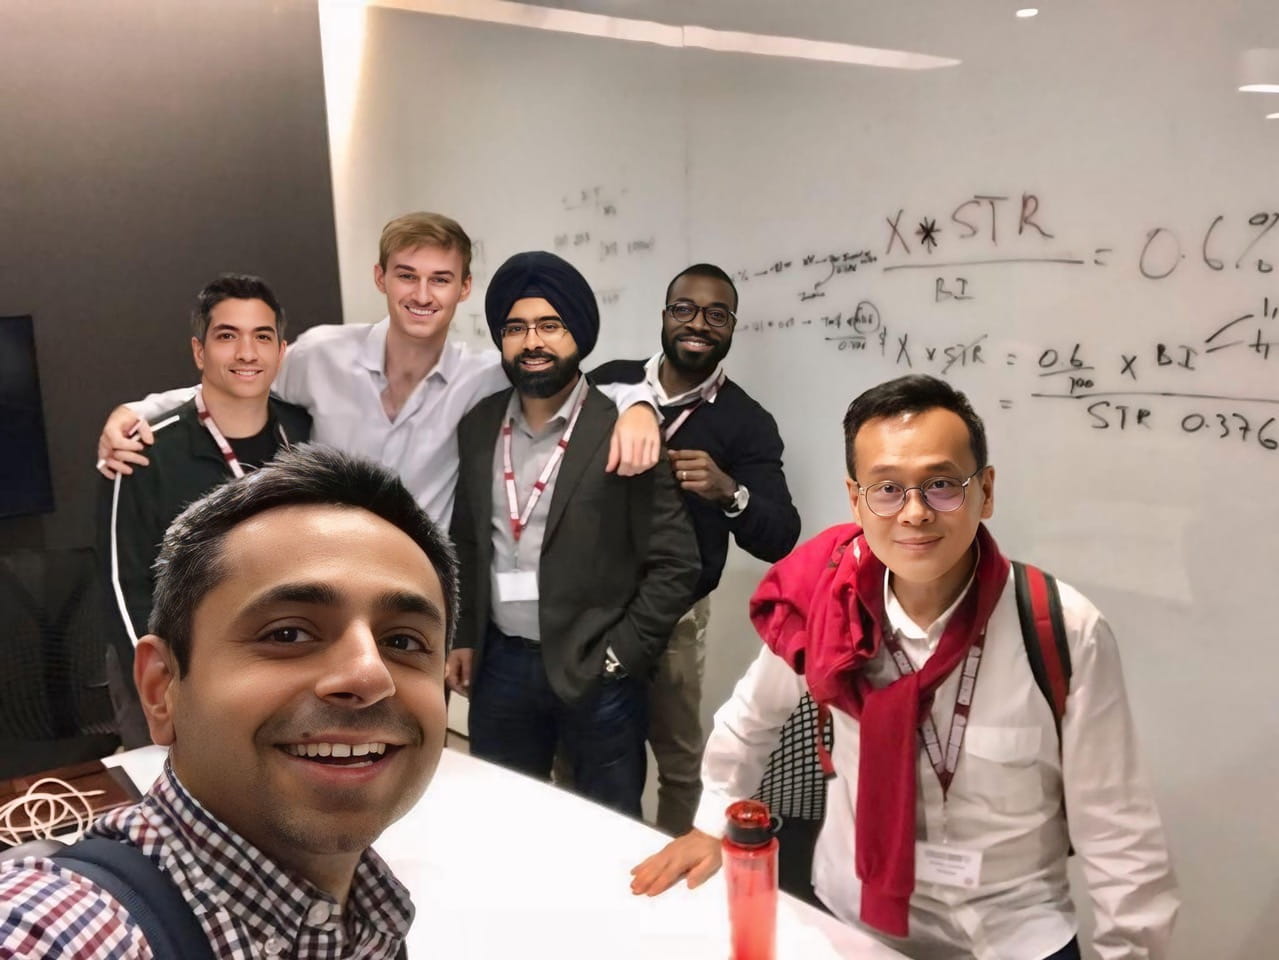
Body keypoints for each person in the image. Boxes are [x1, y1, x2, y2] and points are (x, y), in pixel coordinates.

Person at [631, 374, 1180, 960]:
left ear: (985, 492)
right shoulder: (826, 603)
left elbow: (1118, 830)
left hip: (1012, 937)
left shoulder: (1062, 630)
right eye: (887, 489)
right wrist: (712, 821)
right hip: (853, 923)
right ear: (856, 500)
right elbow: (749, 720)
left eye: (942, 484)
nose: (914, 513)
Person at [0, 445, 458, 958]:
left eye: (403, 642)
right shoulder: (61, 930)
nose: (369, 675)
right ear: (161, 689)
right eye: (287, 633)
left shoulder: (372, 916)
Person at [95, 212, 660, 526]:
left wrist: (637, 405)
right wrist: (137, 410)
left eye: (440, 279)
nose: (422, 294)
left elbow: (568, 373)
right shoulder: (320, 355)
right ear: (380, 278)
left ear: (464, 288)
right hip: (323, 580)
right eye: (406, 275)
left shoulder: (485, 376)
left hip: (417, 590)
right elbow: (236, 382)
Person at [446, 251, 700, 818]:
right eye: (515, 329)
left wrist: (620, 656)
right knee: (505, 821)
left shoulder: (621, 428)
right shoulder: (480, 424)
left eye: (549, 325)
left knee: (606, 833)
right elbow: (465, 537)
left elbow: (677, 562)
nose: (531, 341)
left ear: (578, 336)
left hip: (596, 672)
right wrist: (463, 634)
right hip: (500, 668)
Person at [591, 262, 800, 835]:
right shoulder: (608, 382)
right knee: (589, 746)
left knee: (681, 760)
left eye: (716, 314)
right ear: (664, 316)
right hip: (591, 607)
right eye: (684, 308)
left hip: (676, 618)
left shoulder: (747, 422)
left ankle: (679, 870)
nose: (698, 323)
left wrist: (728, 491)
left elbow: (781, 534)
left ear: (731, 327)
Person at [102, 273, 309, 652]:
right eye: (227, 336)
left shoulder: (307, 432)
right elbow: (122, 587)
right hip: (184, 669)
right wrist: (163, 682)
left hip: (288, 656)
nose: (247, 353)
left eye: (261, 337)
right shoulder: (142, 453)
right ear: (200, 351)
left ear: (280, 352)